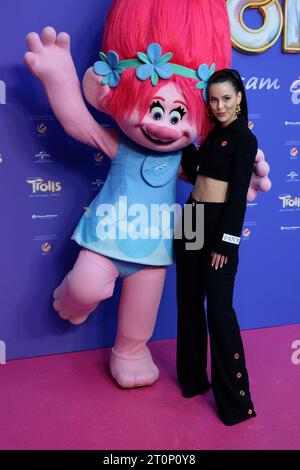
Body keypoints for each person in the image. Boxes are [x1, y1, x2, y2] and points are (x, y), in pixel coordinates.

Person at [175, 69, 257, 426]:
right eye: (213, 99)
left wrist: (227, 240)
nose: (219, 105)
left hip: (216, 225)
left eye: (226, 98)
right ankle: (193, 379)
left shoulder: (244, 138)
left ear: (239, 97)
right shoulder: (213, 136)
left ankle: (236, 403)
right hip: (191, 217)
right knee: (188, 302)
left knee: (219, 311)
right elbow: (197, 176)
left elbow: (237, 196)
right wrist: (187, 148)